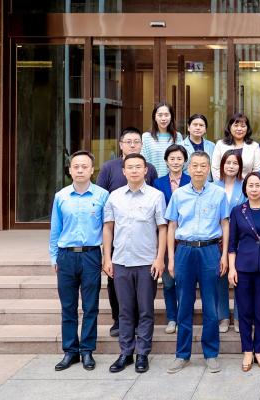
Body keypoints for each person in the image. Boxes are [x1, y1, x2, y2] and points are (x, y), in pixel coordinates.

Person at [164, 151, 230, 375]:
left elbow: (225, 224)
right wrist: (171, 258)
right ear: (188, 168)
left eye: (203, 166)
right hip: (184, 250)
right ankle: (182, 354)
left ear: (209, 168)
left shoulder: (219, 194)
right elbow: (171, 226)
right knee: (184, 304)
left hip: (210, 250)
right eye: (195, 165)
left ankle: (211, 354)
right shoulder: (179, 194)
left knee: (210, 305)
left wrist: (223, 255)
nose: (199, 169)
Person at [102, 153, 167, 374]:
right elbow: (108, 228)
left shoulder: (156, 196)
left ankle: (142, 353)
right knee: (125, 310)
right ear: (123, 171)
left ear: (145, 170)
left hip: (147, 262)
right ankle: (126, 353)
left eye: (138, 167)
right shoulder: (114, 197)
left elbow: (162, 228)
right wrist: (107, 258)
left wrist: (159, 258)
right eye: (130, 167)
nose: (134, 170)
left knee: (146, 310)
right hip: (121, 261)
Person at [49, 150, 109, 372]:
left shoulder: (102, 195)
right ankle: (70, 351)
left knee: (91, 305)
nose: (80, 170)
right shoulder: (61, 196)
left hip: (91, 255)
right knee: (68, 306)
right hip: (66, 256)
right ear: (70, 170)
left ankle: (87, 351)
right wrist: (54, 257)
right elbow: (55, 230)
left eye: (85, 166)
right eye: (76, 166)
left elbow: (107, 229)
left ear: (92, 170)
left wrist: (106, 256)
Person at [96, 127, 158, 338]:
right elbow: (101, 197)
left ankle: (140, 324)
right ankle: (118, 320)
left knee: (144, 287)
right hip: (118, 234)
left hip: (142, 237)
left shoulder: (149, 169)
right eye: (128, 141)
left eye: (136, 141)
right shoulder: (109, 167)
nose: (132, 144)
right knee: (115, 280)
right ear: (121, 144)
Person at [228, 172, 260, 371]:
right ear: (245, 188)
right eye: (250, 185)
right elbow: (232, 243)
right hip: (243, 268)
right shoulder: (237, 211)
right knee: (245, 311)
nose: (254, 189)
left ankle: (259, 350)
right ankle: (247, 350)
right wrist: (232, 268)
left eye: (258, 185)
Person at [153, 144, 192, 334]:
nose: (176, 162)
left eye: (179, 159)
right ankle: (171, 318)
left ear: (185, 162)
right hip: (165, 236)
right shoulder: (158, 183)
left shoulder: (191, 180)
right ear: (166, 161)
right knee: (168, 282)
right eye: (172, 158)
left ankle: (184, 316)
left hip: (186, 237)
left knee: (185, 281)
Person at [214, 150, 247, 333]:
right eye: (228, 163)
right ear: (222, 165)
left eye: (235, 163)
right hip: (217, 239)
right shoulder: (213, 186)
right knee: (220, 277)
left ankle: (239, 317)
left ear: (240, 167)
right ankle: (223, 317)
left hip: (240, 239)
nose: (231, 166)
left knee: (239, 278)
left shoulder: (245, 185)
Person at [211, 112, 260, 181]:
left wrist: (248, 185)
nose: (239, 129)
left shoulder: (254, 146)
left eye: (243, 126)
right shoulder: (220, 144)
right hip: (223, 185)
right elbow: (215, 168)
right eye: (236, 126)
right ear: (230, 127)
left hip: (246, 185)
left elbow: (257, 169)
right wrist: (221, 185)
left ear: (247, 128)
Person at [142, 102, 184, 177]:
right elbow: (144, 161)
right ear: (155, 117)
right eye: (160, 115)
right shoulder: (146, 137)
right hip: (152, 180)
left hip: (172, 180)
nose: (163, 119)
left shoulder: (178, 136)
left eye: (166, 115)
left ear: (171, 117)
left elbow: (180, 160)